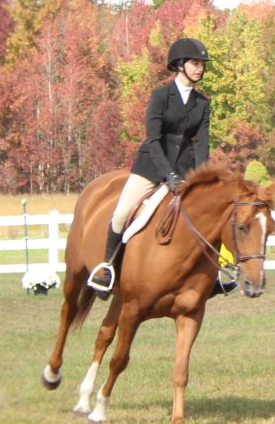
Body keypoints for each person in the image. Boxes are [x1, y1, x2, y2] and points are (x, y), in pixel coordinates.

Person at [88, 38, 218, 296]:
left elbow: (202, 143)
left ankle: (212, 274)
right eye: (195, 63)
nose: (200, 69)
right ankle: (107, 268)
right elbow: (153, 138)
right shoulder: (160, 96)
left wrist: (201, 177)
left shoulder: (202, 103)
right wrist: (167, 175)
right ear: (179, 65)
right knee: (123, 212)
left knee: (209, 213)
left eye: (202, 64)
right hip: (151, 164)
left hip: (185, 169)